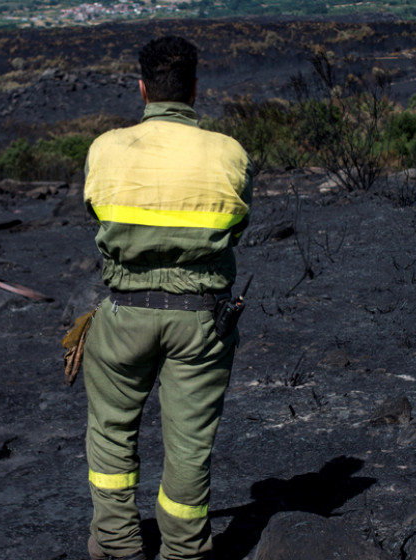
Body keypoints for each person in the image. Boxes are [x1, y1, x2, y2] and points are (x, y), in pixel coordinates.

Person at [81, 36, 253, 560]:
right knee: (189, 445)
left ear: (143, 88)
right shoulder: (229, 153)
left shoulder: (105, 148)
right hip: (202, 320)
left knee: (111, 434)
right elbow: (235, 231)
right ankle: (184, 551)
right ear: (196, 89)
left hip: (123, 316)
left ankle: (116, 545)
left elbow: (98, 221)